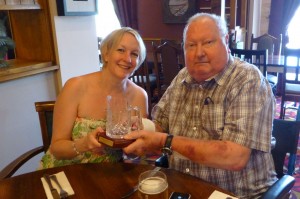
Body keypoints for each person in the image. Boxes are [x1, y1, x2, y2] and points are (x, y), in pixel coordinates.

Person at [123, 13, 277, 198]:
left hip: (236, 193)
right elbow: (159, 125)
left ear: (225, 41)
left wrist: (166, 141)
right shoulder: (182, 77)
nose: (199, 52)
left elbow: (235, 157)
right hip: (182, 189)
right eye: (191, 45)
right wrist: (139, 129)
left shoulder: (247, 80)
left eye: (208, 42)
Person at [39, 27, 148, 169]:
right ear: (106, 54)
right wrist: (83, 144)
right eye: (121, 50)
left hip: (108, 174)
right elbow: (57, 148)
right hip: (64, 173)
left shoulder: (139, 96)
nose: (127, 59)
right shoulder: (76, 86)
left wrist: (137, 149)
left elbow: (134, 152)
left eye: (134, 54)